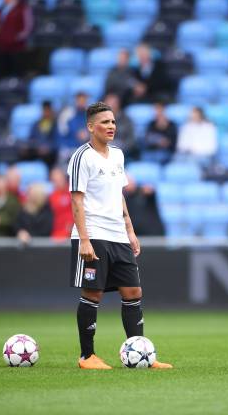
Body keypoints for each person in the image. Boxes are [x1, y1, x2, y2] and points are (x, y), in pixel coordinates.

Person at [67, 101, 171, 370]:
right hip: (94, 233)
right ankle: (87, 356)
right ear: (91, 126)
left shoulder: (118, 155)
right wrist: (85, 239)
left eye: (113, 121)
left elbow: (119, 195)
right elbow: (76, 201)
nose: (111, 126)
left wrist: (130, 230)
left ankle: (143, 354)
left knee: (133, 291)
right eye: (105, 122)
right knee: (93, 294)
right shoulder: (82, 157)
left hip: (118, 235)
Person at [48, 167, 73, 240]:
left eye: (60, 179)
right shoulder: (51, 197)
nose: (58, 182)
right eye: (55, 180)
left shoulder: (73, 192)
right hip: (57, 234)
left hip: (74, 232)